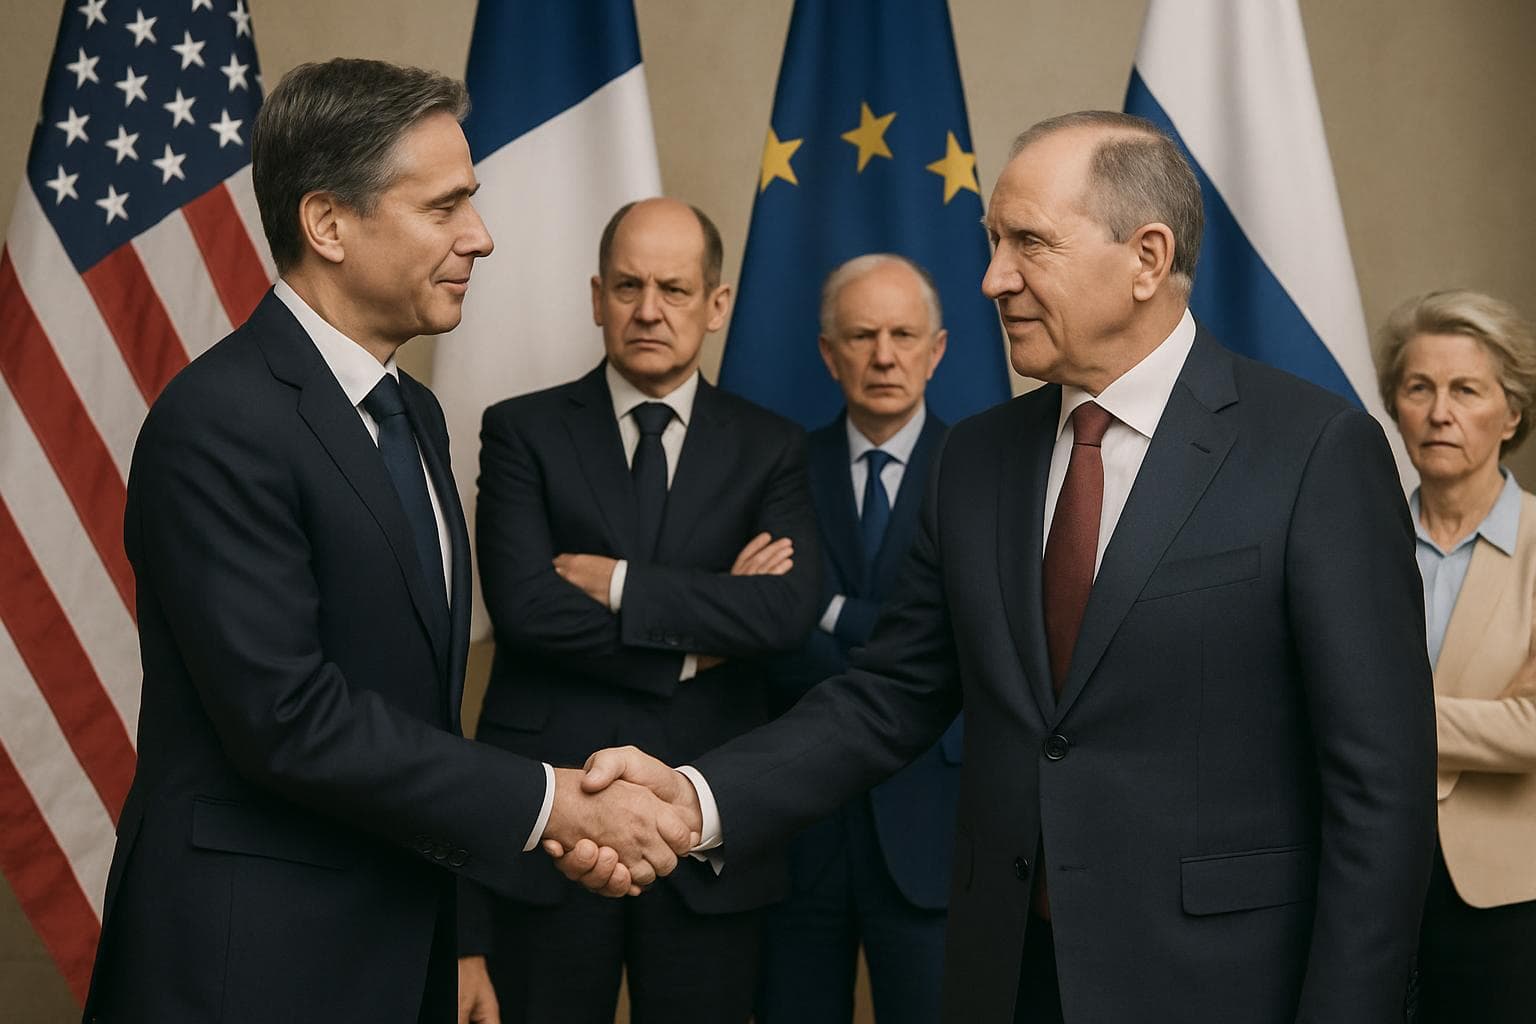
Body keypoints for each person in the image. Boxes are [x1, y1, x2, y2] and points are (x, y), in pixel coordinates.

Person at [564, 111, 1438, 1022]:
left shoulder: (1314, 451)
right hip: (1006, 976)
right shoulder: (977, 460)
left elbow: (1380, 789)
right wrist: (695, 797)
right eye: (992, 242)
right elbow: (888, 697)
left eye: (1028, 244)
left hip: (1221, 986)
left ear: (1146, 257)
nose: (991, 279)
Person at [82, 60, 694, 1024]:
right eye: (445, 206)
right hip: (251, 963)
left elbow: (413, 715)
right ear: (328, 223)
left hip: (395, 948)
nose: (481, 238)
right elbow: (290, 717)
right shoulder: (221, 420)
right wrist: (553, 804)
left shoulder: (415, 412)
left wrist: (463, 932)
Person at [458, 197, 819, 1023]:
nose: (649, 310)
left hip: (707, 823)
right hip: (551, 827)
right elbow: (524, 609)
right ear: (596, 297)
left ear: (716, 304)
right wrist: (699, 638)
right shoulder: (522, 430)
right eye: (627, 286)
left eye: (674, 289)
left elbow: (784, 613)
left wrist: (619, 584)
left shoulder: (772, 445)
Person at [754, 254, 957, 1024]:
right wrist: (908, 627)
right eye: (863, 335)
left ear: (936, 351)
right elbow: (764, 639)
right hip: (800, 827)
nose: (884, 356)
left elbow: (967, 643)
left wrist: (823, 609)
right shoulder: (776, 469)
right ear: (827, 352)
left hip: (933, 825)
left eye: (904, 335)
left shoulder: (981, 470)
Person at [1375, 289, 1536, 1023]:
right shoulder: (1351, 540)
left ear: (1511, 413)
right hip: (1364, 874)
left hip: (1506, 897)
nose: (1440, 412)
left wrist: (1381, 724)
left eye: (1466, 390)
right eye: (1419, 388)